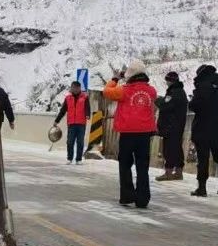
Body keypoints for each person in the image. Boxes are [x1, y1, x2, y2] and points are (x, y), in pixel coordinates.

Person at [103, 62, 158, 209]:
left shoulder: (124, 91)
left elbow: (107, 91)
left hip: (128, 133)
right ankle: (142, 199)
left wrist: (115, 79)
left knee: (125, 165)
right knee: (142, 166)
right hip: (145, 135)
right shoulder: (151, 91)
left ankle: (127, 196)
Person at [189, 65, 218, 197]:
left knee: (203, 158)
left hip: (203, 126)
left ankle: (202, 188)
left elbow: (195, 105)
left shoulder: (203, 86)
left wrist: (191, 102)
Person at [155, 71, 188, 181]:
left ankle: (168, 172)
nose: (167, 83)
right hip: (177, 125)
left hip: (171, 126)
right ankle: (178, 172)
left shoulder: (174, 92)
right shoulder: (180, 91)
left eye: (167, 80)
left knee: (169, 149)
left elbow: (165, 106)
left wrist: (158, 100)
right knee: (177, 148)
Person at [54, 80, 91, 164]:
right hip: (71, 123)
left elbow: (87, 108)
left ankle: (78, 159)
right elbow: (62, 111)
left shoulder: (85, 97)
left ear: (79, 88)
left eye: (75, 87)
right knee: (70, 141)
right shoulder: (68, 98)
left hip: (81, 123)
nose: (73, 89)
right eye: (72, 87)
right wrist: (57, 121)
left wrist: (87, 114)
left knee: (80, 142)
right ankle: (69, 158)